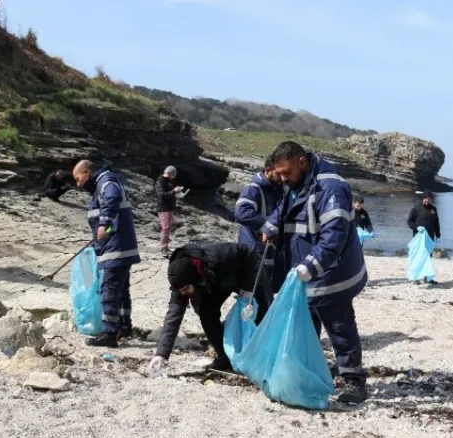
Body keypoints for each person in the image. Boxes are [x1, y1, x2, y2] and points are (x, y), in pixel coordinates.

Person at [260, 141, 368, 404]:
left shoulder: (331, 187)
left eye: (287, 173)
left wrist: (310, 266)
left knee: (339, 326)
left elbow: (334, 236)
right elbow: (285, 208)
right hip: (304, 269)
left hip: (333, 273)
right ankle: (305, 374)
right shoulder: (295, 183)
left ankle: (354, 382)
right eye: (280, 174)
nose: (283, 179)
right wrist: (271, 225)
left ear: (301, 161)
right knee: (305, 326)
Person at [147, 242, 273, 372]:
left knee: (263, 311)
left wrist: (248, 289)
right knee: (206, 313)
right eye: (180, 291)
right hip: (214, 282)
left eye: (185, 289)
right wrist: (161, 353)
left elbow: (249, 260)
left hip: (247, 269)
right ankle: (224, 356)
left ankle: (265, 354)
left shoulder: (219, 258)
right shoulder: (180, 281)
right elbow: (173, 316)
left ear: (194, 278)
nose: (183, 293)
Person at [72, 160, 141, 347]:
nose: (78, 185)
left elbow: (112, 198)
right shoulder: (101, 185)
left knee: (109, 290)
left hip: (116, 248)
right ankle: (124, 326)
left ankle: (109, 334)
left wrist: (104, 223)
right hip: (118, 247)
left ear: (87, 173)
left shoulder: (106, 181)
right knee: (121, 290)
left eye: (78, 179)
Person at [234, 155, 284, 290]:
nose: (283, 178)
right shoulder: (253, 189)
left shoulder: (278, 190)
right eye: (279, 174)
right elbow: (241, 212)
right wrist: (267, 227)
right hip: (254, 250)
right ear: (268, 170)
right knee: (252, 293)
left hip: (269, 251)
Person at [407, 191, 441, 285]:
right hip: (418, 238)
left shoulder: (434, 209)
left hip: (430, 238)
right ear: (422, 199)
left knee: (428, 258)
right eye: (425, 198)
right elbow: (409, 221)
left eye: (429, 198)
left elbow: (436, 223)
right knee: (418, 258)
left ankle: (428, 278)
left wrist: (438, 235)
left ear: (431, 199)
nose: (427, 200)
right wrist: (416, 227)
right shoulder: (416, 208)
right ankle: (416, 278)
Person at [155, 166, 183, 258]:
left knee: (168, 228)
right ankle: (163, 248)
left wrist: (177, 193)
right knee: (166, 228)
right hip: (163, 208)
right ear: (169, 173)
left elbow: (169, 193)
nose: (174, 177)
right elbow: (162, 195)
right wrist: (174, 191)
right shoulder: (160, 181)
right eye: (173, 175)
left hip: (170, 208)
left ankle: (165, 247)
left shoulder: (169, 181)